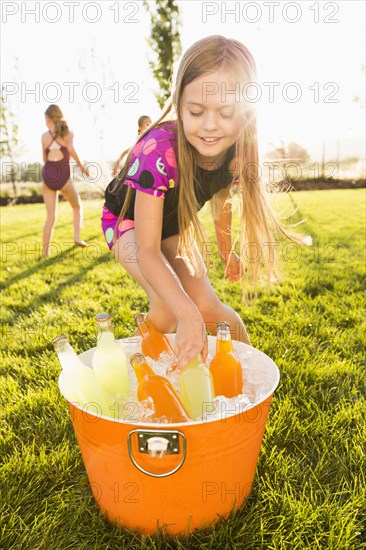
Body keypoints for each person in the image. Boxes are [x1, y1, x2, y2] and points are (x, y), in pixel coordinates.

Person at [101, 35, 307, 370]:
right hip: (128, 223)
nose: (210, 125)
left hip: (173, 224)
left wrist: (226, 249)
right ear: (180, 104)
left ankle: (251, 375)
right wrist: (186, 313)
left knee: (207, 307)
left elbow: (220, 196)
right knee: (171, 308)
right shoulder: (159, 152)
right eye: (196, 111)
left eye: (226, 113)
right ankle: (147, 375)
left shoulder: (237, 153)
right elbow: (148, 250)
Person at [41, 104, 90, 258]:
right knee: (76, 206)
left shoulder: (44, 136)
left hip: (47, 177)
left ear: (49, 118)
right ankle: (76, 236)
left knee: (50, 216)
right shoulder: (68, 133)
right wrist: (82, 167)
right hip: (62, 177)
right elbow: (71, 150)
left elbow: (44, 158)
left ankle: (45, 253)